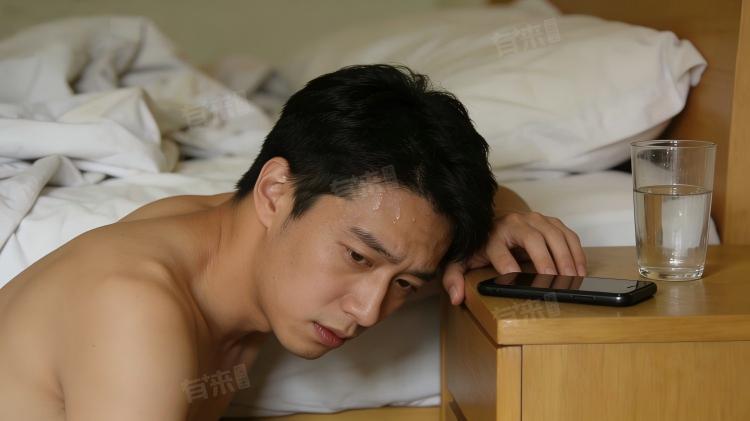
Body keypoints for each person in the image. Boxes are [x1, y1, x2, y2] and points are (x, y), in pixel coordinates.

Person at [0, 64, 586, 421]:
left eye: (406, 285)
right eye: (357, 256)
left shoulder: (218, 233)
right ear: (275, 190)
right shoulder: (136, 310)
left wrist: (504, 216)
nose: (369, 311)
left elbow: (430, 208)